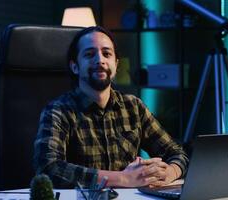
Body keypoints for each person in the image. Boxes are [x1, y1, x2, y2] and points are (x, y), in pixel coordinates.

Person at [33, 26, 189, 188]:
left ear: (115, 65)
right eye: (89, 54)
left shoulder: (133, 107)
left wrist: (169, 173)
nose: (100, 60)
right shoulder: (58, 110)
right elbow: (48, 168)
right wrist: (123, 178)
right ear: (75, 66)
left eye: (106, 54)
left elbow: (177, 153)